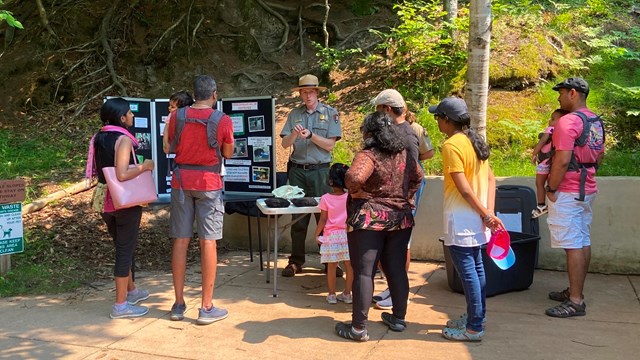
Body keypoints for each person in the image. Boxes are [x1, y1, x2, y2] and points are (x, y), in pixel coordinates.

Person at [334, 111, 423, 342]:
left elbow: (354, 176)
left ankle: (358, 329)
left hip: (368, 221)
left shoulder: (369, 155)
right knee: (395, 269)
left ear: (370, 133)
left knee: (364, 272)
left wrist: (356, 191)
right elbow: (418, 177)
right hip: (400, 219)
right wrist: (407, 197)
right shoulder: (404, 154)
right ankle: (399, 318)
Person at [429, 96, 503, 342]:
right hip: (479, 219)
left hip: (461, 220)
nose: (437, 122)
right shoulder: (475, 141)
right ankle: (476, 316)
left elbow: (464, 190)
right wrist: (488, 214)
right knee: (477, 268)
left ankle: (473, 327)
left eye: (438, 117)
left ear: (447, 121)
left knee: (469, 273)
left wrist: (485, 214)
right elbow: (491, 180)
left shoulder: (451, 146)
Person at [166, 75, 234, 325]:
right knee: (208, 242)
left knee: (180, 241)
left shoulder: (177, 116)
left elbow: (169, 147)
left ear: (194, 94)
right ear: (214, 94)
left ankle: (178, 303)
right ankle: (206, 307)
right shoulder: (222, 119)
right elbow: (227, 152)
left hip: (181, 181)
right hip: (209, 183)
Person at [86, 97, 155, 319]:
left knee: (122, 246)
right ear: (122, 117)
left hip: (105, 199)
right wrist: (145, 166)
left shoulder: (99, 137)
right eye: (130, 113)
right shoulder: (123, 140)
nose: (132, 116)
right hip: (124, 201)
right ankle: (120, 305)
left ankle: (132, 291)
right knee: (125, 251)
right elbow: (123, 173)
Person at [544, 77, 605, 318]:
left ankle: (576, 301)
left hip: (568, 190)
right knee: (581, 239)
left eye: (560, 93)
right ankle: (575, 290)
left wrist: (551, 188)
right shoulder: (596, 121)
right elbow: (599, 157)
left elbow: (561, 159)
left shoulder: (567, 122)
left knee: (571, 244)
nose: (558, 98)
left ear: (572, 93)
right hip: (587, 188)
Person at [371, 89, 435, 310]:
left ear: (388, 109)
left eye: (379, 110)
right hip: (400, 193)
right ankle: (393, 288)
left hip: (405, 194)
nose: (378, 115)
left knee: (400, 243)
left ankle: (400, 292)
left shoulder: (406, 135)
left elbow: (412, 170)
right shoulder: (399, 130)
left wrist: (408, 199)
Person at [280, 74, 342, 277]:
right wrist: (295, 135)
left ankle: (330, 261)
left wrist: (311, 136)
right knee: (298, 219)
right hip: (298, 171)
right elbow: (285, 144)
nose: (307, 96)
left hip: (321, 172)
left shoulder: (330, 113)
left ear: (317, 92)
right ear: (300, 93)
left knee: (325, 218)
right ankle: (296, 261)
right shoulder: (294, 114)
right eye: (303, 92)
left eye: (311, 92)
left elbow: (330, 145)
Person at [314, 163, 353, 304]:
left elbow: (323, 219)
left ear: (330, 181)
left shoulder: (325, 198)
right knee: (349, 266)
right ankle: (347, 294)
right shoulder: (350, 197)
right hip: (347, 235)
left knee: (331, 266)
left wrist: (317, 234)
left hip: (331, 236)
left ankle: (331, 295)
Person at [530, 108, 570, 218]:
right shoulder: (564, 132)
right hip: (553, 163)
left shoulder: (550, 130)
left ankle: (541, 206)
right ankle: (550, 205)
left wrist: (534, 153)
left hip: (544, 163)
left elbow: (542, 141)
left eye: (553, 119)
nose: (550, 121)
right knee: (550, 183)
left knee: (539, 184)